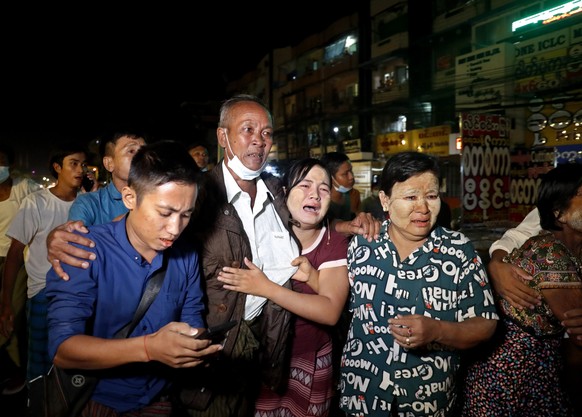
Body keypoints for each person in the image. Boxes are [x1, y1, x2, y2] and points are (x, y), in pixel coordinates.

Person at [45, 94, 381, 417]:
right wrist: (66, 236)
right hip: (207, 355)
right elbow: (145, 219)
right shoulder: (198, 193)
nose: (259, 141)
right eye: (248, 129)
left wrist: (351, 223)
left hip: (265, 343)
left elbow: (310, 211)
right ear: (223, 136)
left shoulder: (277, 190)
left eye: (266, 133)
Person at [45, 140, 222, 416]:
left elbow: (193, 315)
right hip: (98, 399)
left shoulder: (186, 254)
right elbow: (63, 349)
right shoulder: (83, 250)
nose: (175, 228)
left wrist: (196, 347)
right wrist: (149, 348)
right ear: (130, 198)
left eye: (186, 215)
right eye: (164, 213)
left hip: (161, 396)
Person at [339, 151, 498, 416]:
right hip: (363, 396)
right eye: (411, 197)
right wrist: (341, 225)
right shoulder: (361, 243)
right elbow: (311, 231)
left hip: (428, 398)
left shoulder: (459, 251)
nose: (423, 208)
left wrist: (437, 331)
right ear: (385, 200)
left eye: (432, 196)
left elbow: (485, 324)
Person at [216, 158, 349, 417]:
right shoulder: (259, 229)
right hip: (260, 360)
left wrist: (266, 288)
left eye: (324, 189)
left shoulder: (334, 242)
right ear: (284, 193)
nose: (315, 194)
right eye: (305, 185)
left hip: (308, 360)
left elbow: (330, 311)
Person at [462, 163, 582, 416]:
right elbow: (578, 337)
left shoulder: (574, 250)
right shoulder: (551, 253)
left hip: (537, 374)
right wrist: (497, 263)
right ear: (558, 213)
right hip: (514, 378)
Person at [0, 142, 88, 392]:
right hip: (43, 292)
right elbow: (15, 253)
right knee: (39, 357)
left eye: (83, 164)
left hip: (79, 295)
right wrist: (6, 301)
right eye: (73, 163)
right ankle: (37, 401)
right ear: (57, 167)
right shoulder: (36, 202)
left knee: (73, 360)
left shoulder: (89, 203)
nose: (80, 169)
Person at [0, 144, 41, 395]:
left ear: (10, 166)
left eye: (1, 162)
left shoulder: (25, 188)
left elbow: (51, 199)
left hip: (15, 261)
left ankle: (17, 372)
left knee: (11, 311)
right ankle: (13, 369)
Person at [68, 130, 147, 226]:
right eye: (131, 151)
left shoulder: (161, 198)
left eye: (145, 151)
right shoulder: (88, 204)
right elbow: (77, 238)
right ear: (109, 163)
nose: (143, 157)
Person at [320, 151, 361, 221]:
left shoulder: (354, 195)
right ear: (330, 177)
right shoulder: (321, 201)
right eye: (345, 174)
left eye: (351, 171)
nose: (351, 177)